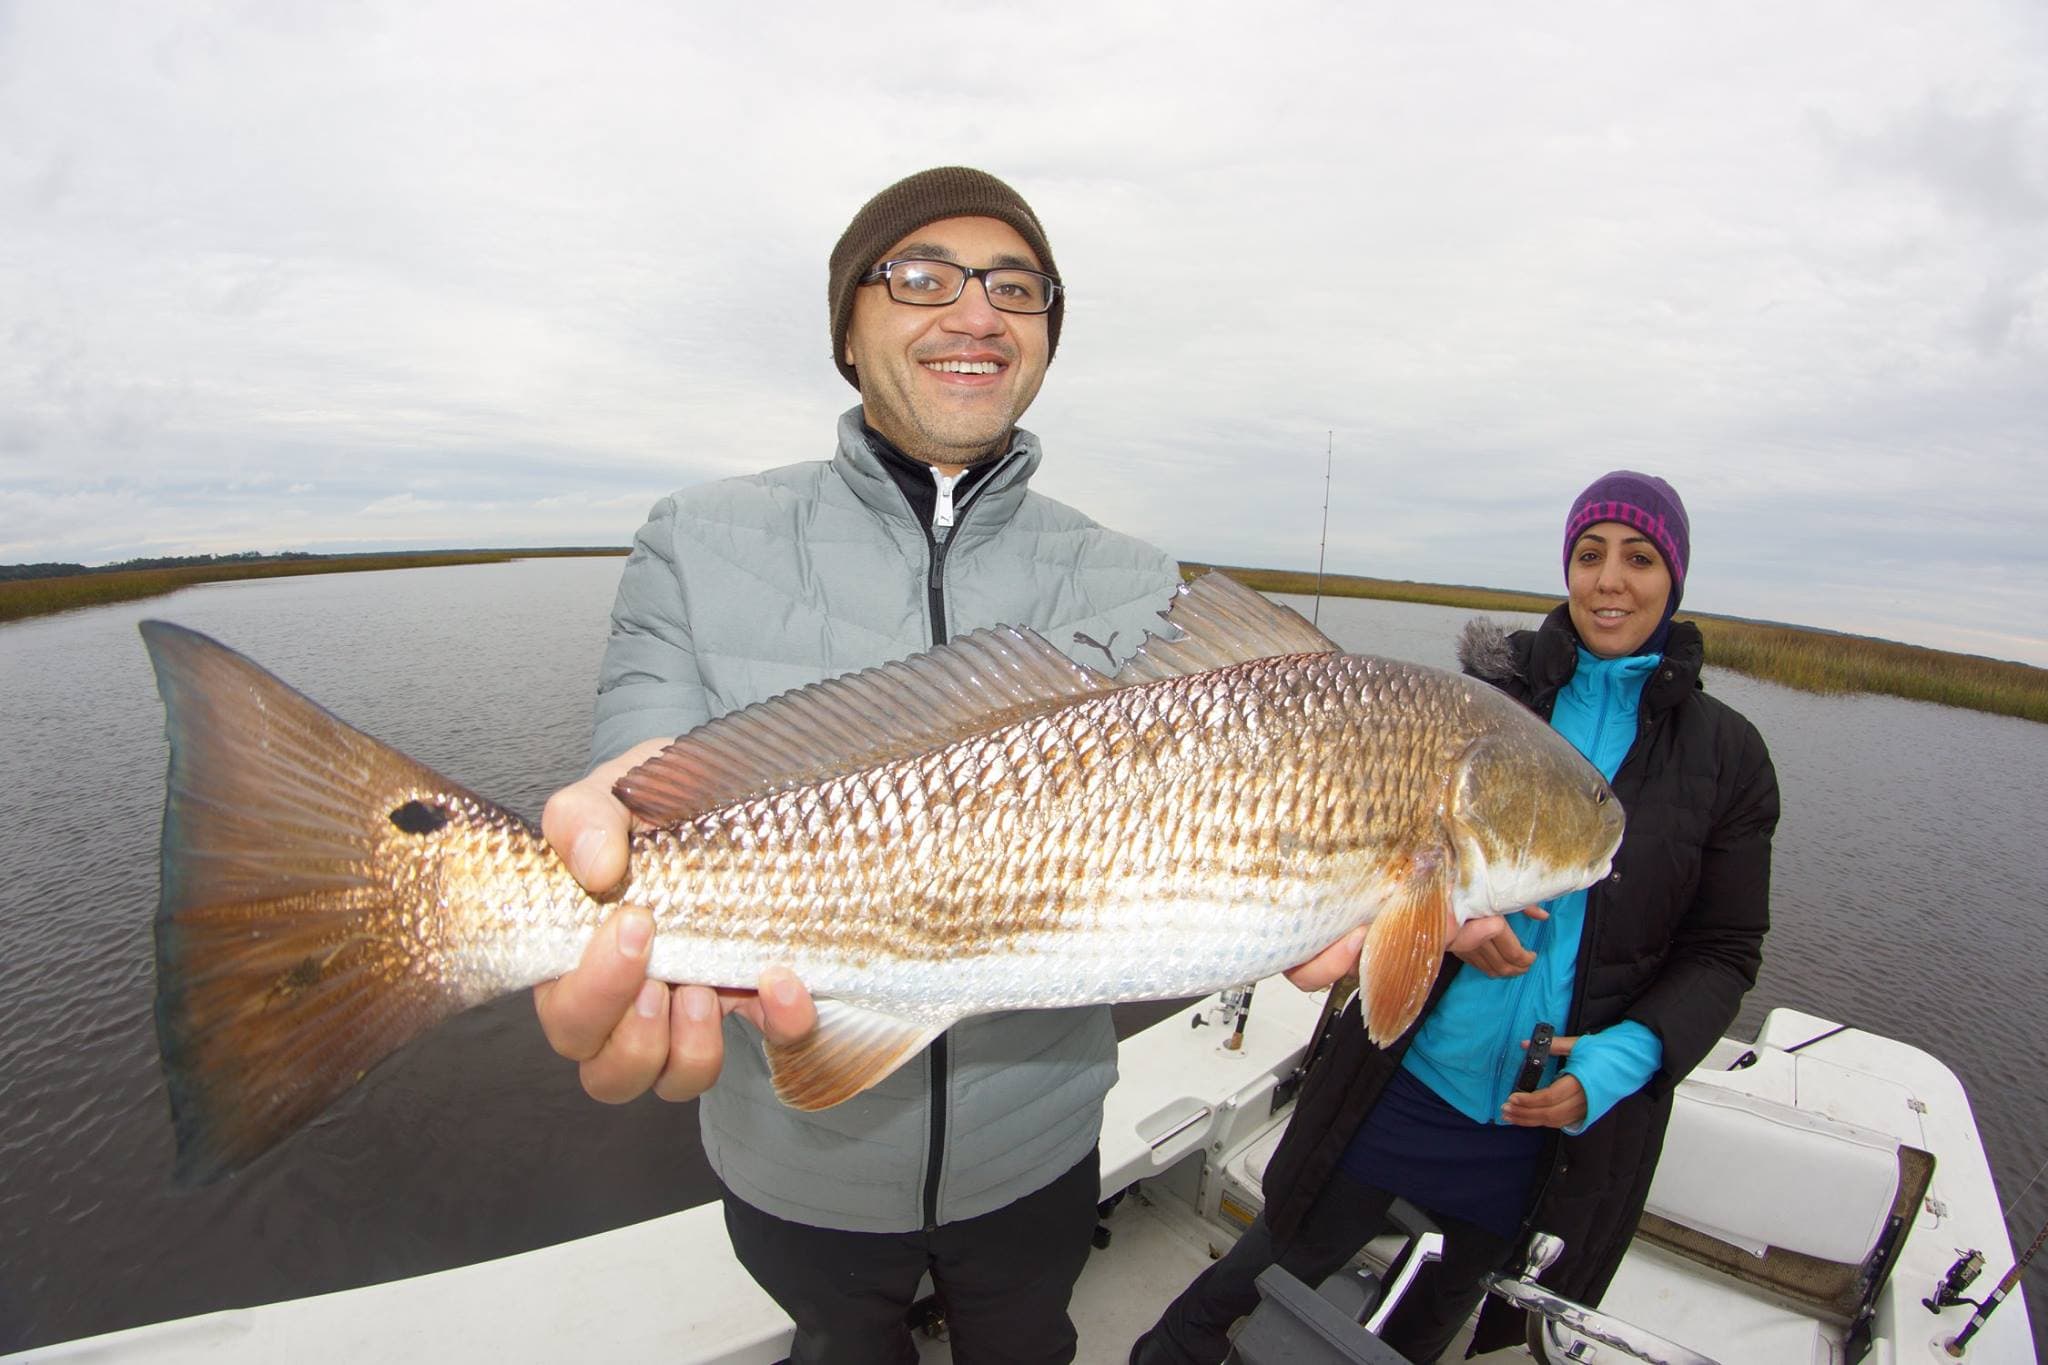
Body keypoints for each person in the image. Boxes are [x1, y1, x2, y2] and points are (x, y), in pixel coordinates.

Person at [530, 167, 1189, 1364]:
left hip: (1036, 1144)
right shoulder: (693, 537)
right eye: (921, 277)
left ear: (1045, 334)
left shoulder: (1139, 581)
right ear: (846, 329)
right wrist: (605, 830)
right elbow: (641, 768)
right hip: (796, 1159)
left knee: (1028, 1343)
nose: (976, 313)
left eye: (1016, 288)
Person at [1134, 471, 1779, 1363]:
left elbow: (1726, 947)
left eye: (1639, 558)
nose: (1609, 580)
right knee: (1267, 1264)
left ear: (1674, 577)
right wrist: (1444, 924)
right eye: (1589, 554)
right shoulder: (1485, 698)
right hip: (1405, 1076)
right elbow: (1360, 849)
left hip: (1548, 1131)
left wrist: (1625, 1059)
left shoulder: (1728, 756)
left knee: (1429, 1324)